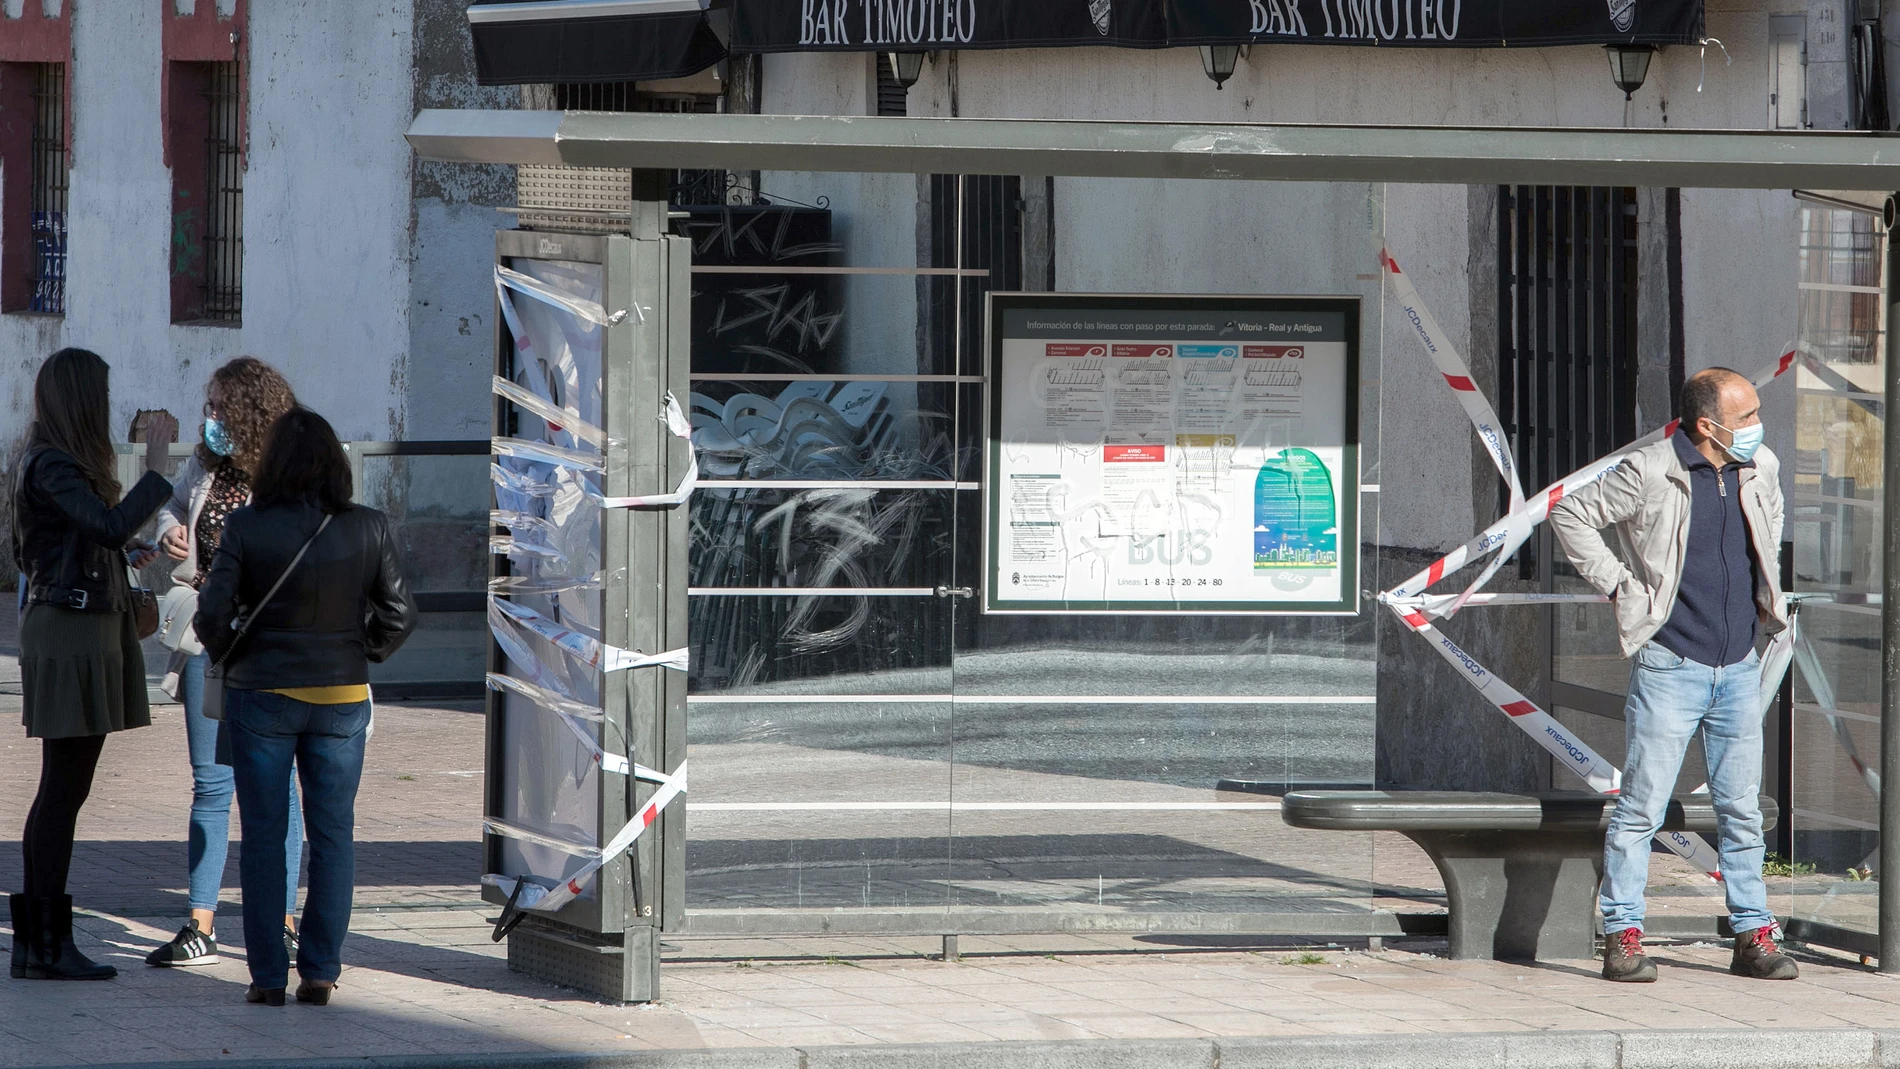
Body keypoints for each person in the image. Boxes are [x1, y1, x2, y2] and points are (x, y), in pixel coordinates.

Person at [1550, 367, 1794, 984]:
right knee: (1641, 809)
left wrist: (1767, 594)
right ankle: (1624, 935)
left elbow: (1771, 526)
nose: (1758, 427)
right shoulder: (1650, 470)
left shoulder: (1759, 465)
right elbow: (1572, 514)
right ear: (1708, 425)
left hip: (1739, 663)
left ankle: (1752, 933)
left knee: (1741, 810)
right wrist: (1620, 586)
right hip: (1670, 664)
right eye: (1746, 417)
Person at [195, 408, 414, 1006]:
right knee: (333, 834)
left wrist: (233, 656)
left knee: (265, 836)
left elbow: (210, 615)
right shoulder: (368, 526)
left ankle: (267, 976)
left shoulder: (246, 526)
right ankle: (319, 970)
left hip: (261, 693)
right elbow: (400, 615)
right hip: (342, 698)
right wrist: (355, 653)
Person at [9, 348, 176, 981]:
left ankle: (40, 945)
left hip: (83, 622)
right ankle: (47, 946)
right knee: (63, 788)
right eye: (100, 396)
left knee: (65, 788)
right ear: (83, 400)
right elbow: (102, 526)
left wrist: (130, 548)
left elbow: (91, 535)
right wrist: (156, 471)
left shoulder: (55, 462)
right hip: (70, 629)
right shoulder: (51, 461)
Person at [146, 357, 305, 969]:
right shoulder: (205, 466)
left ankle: (285, 920)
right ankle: (200, 923)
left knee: (278, 788)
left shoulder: (285, 474)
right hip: (208, 639)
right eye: (207, 406)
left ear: (249, 411)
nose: (209, 418)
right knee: (210, 782)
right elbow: (170, 506)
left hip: (268, 644)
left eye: (219, 407)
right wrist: (168, 533)